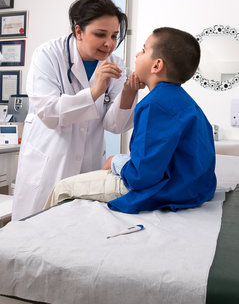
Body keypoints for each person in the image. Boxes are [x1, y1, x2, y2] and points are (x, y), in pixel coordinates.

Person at [44, 27, 217, 214]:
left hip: (166, 190)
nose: (137, 54)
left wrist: (116, 161)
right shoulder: (185, 102)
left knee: (62, 188)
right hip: (193, 188)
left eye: (143, 50)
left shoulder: (153, 105)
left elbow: (141, 176)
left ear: (157, 66)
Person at [12, 0, 142, 221]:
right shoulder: (48, 55)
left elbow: (114, 125)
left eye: (113, 35)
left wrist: (129, 93)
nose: (109, 43)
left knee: (74, 227)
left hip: (88, 159)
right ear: (78, 31)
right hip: (48, 159)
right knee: (35, 227)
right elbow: (49, 113)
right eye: (100, 34)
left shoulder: (115, 64)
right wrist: (95, 91)